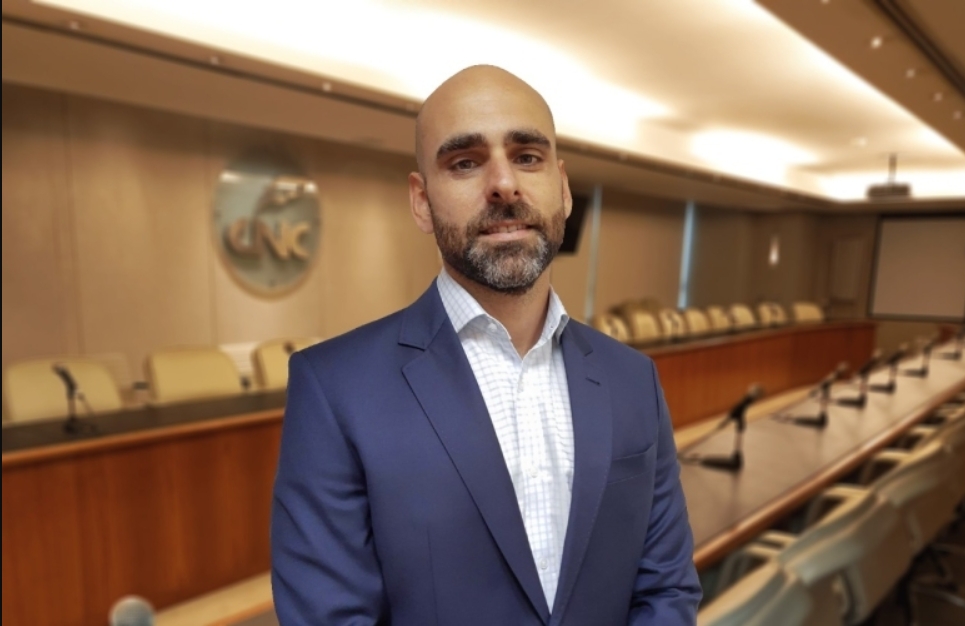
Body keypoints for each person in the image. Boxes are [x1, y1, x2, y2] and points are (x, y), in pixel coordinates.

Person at [271, 65, 701, 625]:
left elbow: (666, 590)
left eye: (527, 156)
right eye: (465, 163)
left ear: (563, 188)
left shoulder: (633, 379)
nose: (504, 183)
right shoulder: (335, 390)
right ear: (421, 201)